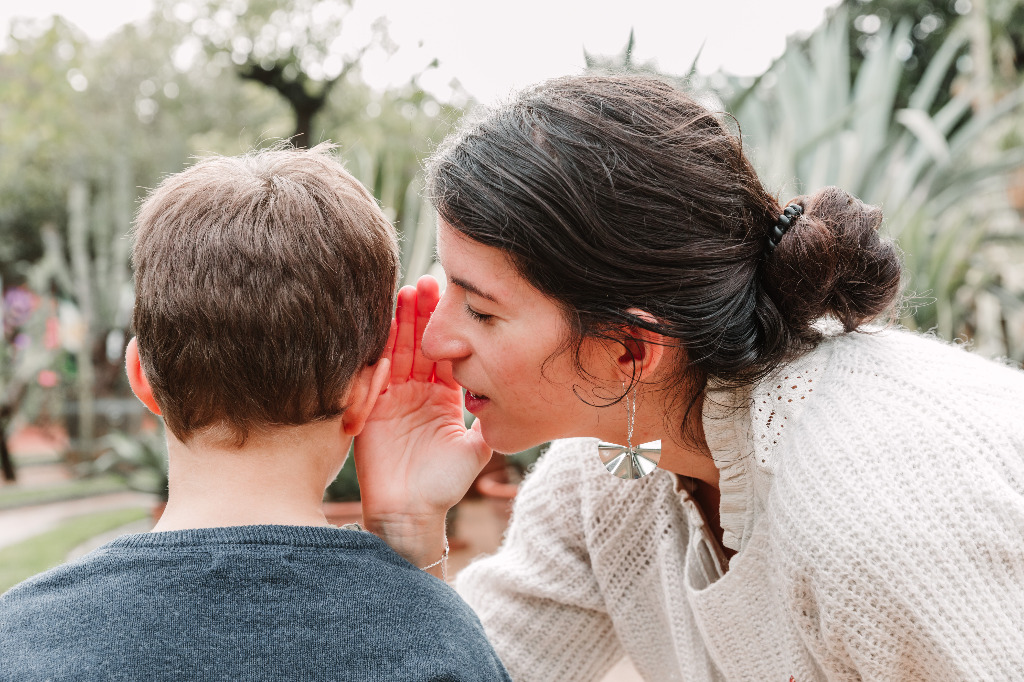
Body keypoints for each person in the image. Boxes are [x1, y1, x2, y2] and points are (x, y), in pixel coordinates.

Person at [354, 76, 1024, 681]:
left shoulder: (877, 509)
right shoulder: (613, 471)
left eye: (481, 309)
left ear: (631, 350)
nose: (437, 342)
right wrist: (405, 528)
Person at [0, 145, 510, 682]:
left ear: (141, 379)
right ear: (365, 396)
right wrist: (414, 560)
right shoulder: (442, 643)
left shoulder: (19, 639)